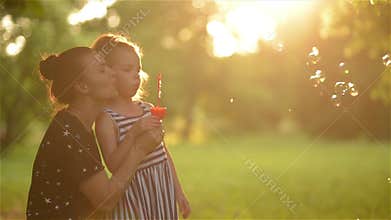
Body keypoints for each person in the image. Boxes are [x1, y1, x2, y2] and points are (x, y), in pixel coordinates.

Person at [26, 46, 164, 219]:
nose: (112, 73)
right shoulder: (69, 133)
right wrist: (139, 150)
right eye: (102, 70)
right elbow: (105, 201)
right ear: (83, 86)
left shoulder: (76, 125)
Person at [92, 34, 191, 219]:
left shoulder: (148, 109)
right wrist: (134, 132)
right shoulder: (107, 119)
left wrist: (178, 192)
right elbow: (113, 165)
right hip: (134, 195)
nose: (136, 75)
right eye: (128, 69)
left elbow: (164, 154)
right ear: (109, 74)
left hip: (162, 191)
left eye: (138, 69)